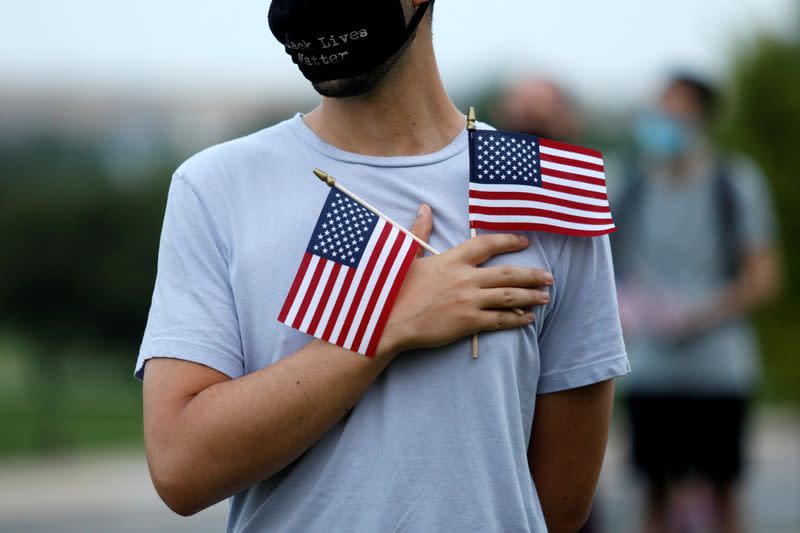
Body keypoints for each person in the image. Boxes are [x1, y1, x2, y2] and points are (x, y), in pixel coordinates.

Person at [137, 1, 630, 531]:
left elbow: (559, 505)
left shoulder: (545, 192)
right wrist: (386, 324)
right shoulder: (215, 187)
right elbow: (181, 467)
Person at [613, 74, 780, 533]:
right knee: (653, 493)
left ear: (702, 118)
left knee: (724, 491)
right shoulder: (627, 183)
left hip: (719, 370)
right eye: (658, 109)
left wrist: (698, 315)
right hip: (649, 370)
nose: (662, 121)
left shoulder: (735, 182)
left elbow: (764, 275)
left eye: (675, 110)